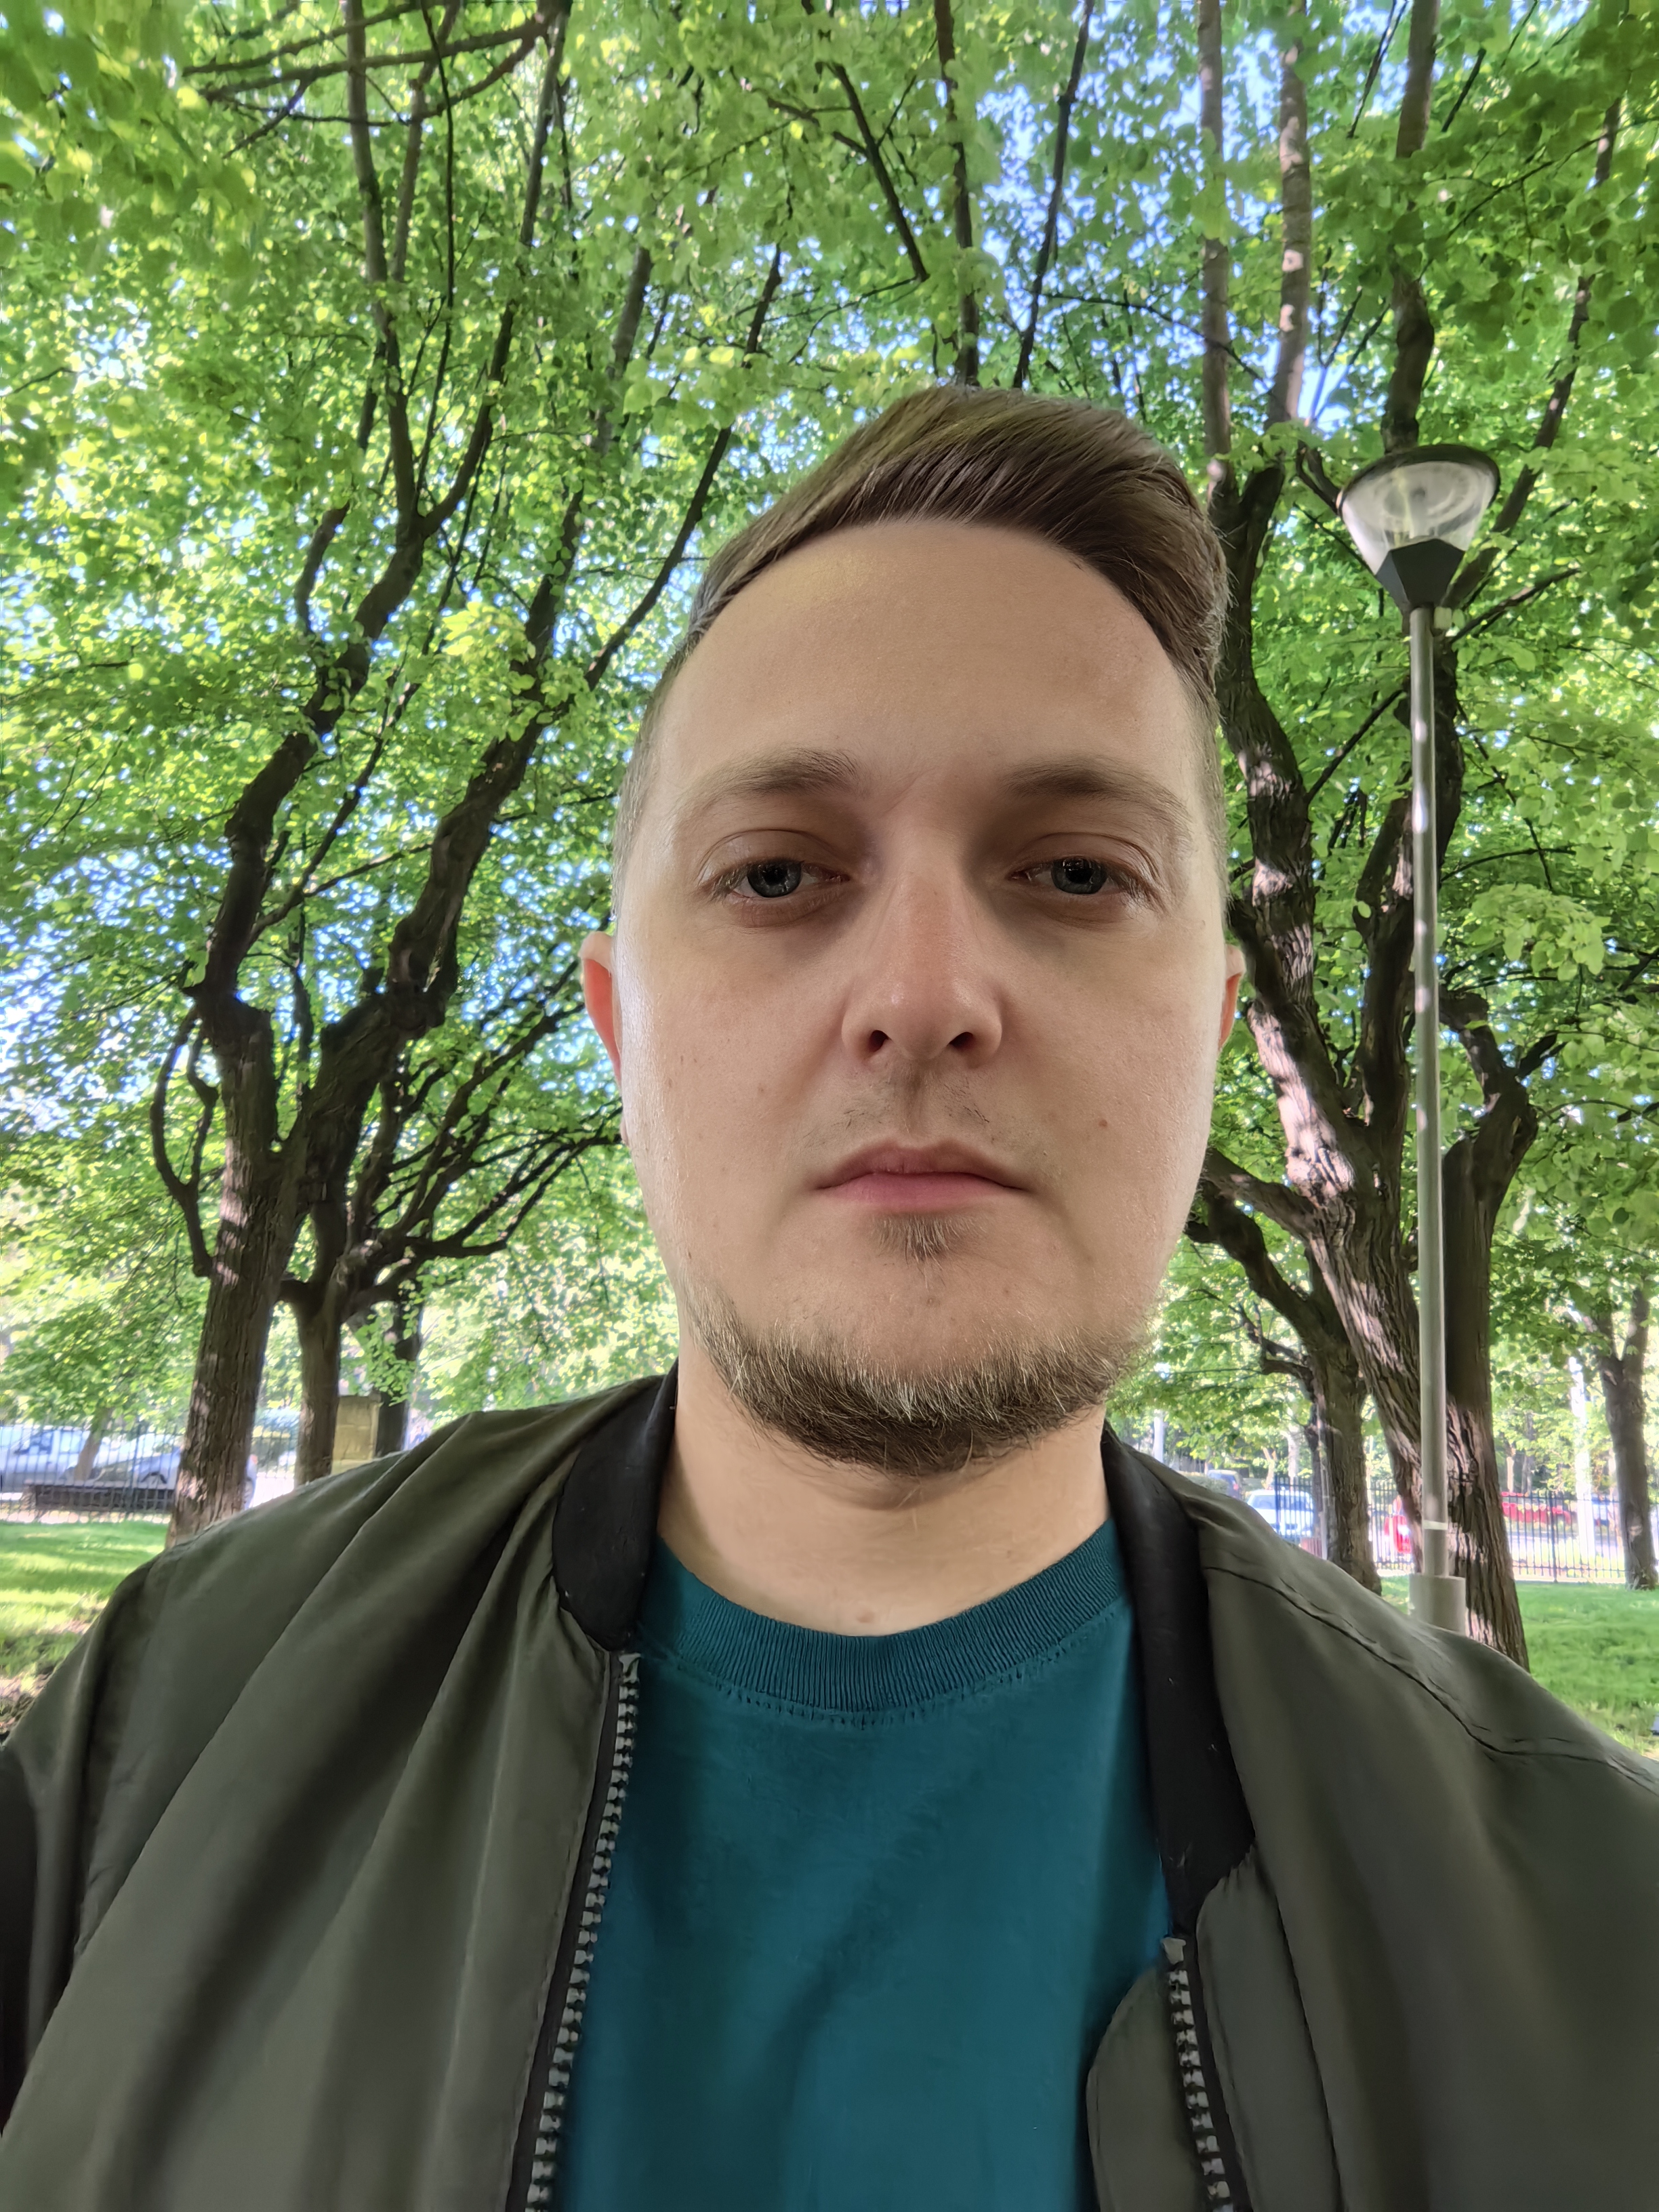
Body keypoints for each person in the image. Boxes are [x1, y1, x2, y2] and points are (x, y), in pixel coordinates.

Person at [1, 389, 1654, 2212]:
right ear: (620, 1028)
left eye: (1078, 873)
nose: (924, 995)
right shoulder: (162, 1731)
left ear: (1211, 1031)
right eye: (778, 873)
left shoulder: (1594, 1926)